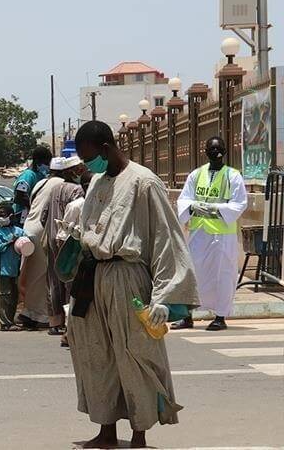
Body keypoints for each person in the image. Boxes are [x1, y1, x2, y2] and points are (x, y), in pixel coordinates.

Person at [69, 120, 199, 449]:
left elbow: (166, 240)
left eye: (89, 158)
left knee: (135, 355)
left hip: (128, 279)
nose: (87, 165)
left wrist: (164, 296)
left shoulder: (144, 182)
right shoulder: (97, 181)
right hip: (93, 277)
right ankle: (107, 430)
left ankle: (139, 433)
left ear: (107, 148)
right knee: (98, 355)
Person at [173, 136, 247, 331]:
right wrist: (199, 208)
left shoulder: (233, 176)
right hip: (199, 233)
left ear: (225, 150)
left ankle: (220, 316)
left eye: (218, 148)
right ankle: (187, 315)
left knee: (223, 274)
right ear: (205, 151)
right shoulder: (196, 175)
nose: (215, 152)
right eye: (211, 149)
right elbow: (184, 201)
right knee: (193, 274)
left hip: (223, 236)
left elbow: (239, 203)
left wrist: (209, 208)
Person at [16, 156, 66, 331]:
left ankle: (28, 310)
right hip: (42, 230)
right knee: (42, 274)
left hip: (28, 227)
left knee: (29, 273)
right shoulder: (61, 184)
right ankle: (39, 314)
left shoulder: (41, 182)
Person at [42, 157, 86, 337]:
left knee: (53, 280)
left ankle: (54, 321)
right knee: (69, 280)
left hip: (52, 237)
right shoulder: (76, 190)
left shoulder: (54, 189)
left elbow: (44, 215)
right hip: (69, 238)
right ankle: (69, 322)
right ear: (73, 172)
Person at [0, 204, 26, 331]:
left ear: (11, 216)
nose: (1, 218)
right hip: (2, 270)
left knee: (14, 297)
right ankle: (5, 323)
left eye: (4, 215)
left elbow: (26, 244)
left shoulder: (19, 231)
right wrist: (10, 242)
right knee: (4, 297)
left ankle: (11, 321)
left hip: (15, 270)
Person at [13, 146, 53, 225]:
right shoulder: (28, 175)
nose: (48, 165)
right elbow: (19, 196)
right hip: (22, 216)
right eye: (46, 163)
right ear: (38, 161)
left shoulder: (40, 175)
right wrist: (33, 207)